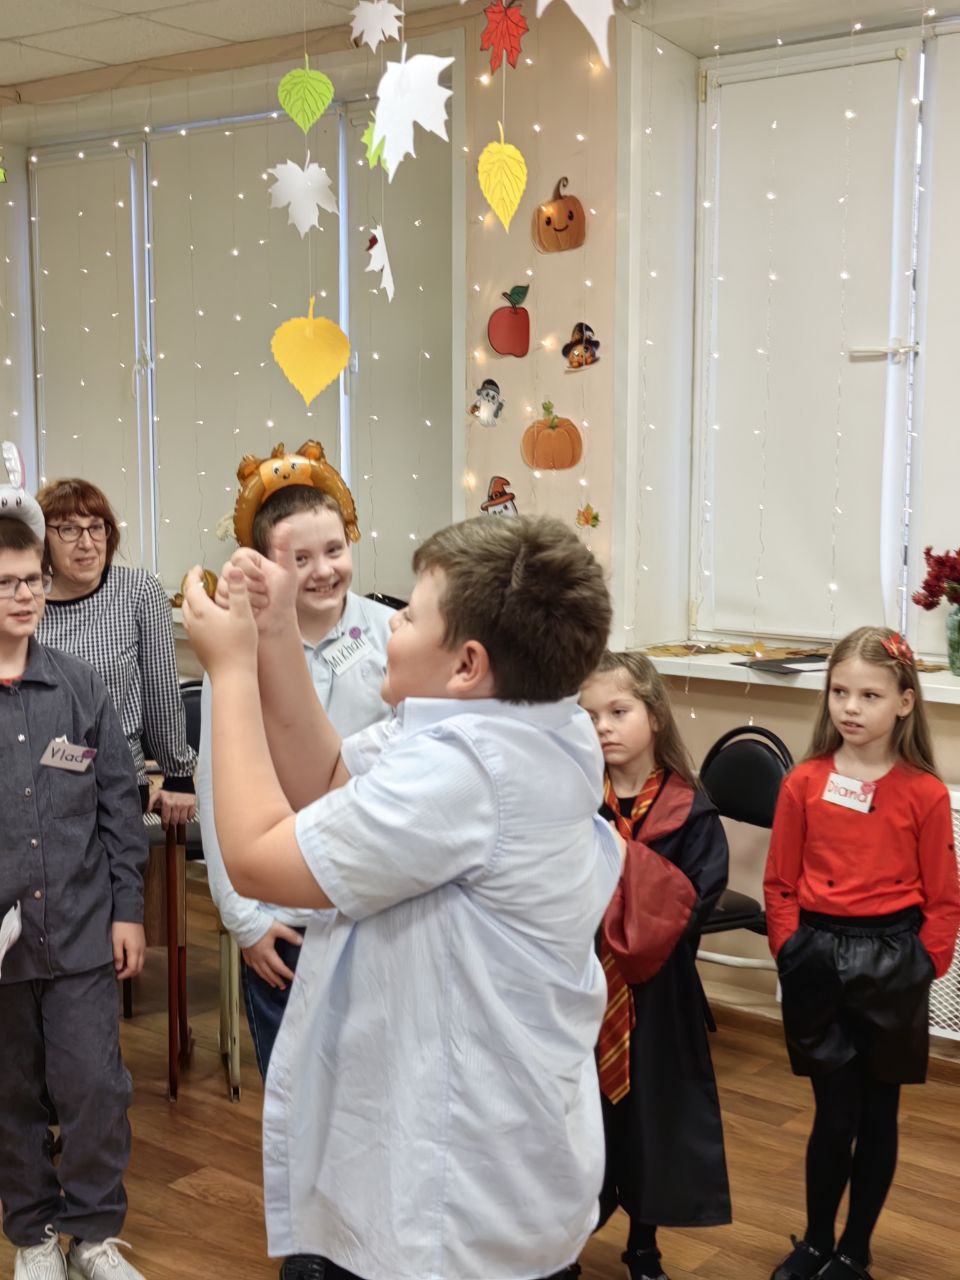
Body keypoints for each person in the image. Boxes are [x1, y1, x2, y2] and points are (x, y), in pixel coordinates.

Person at [182, 514, 621, 1280]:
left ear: (467, 664)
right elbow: (326, 780)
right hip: (494, 1165)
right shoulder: (518, 723)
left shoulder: (466, 772)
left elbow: (256, 857)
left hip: (461, 1205)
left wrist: (230, 670)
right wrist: (277, 628)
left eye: (411, 616)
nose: (390, 626)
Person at [764, 626, 960, 1280]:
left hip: (893, 961)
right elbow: (780, 882)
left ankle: (855, 1249)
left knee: (879, 1114)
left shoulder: (925, 793)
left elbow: (943, 898)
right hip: (818, 955)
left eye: (869, 695)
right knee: (833, 1113)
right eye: (839, 692)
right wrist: (791, 948)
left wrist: (923, 964)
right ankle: (817, 1240)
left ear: (904, 702)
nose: (850, 707)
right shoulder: (803, 783)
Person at [198, 483, 394, 1081]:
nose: (323, 571)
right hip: (281, 915)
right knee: (294, 1089)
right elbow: (215, 785)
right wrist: (243, 916)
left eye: (334, 550)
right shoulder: (237, 649)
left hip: (370, 903)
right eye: (300, 559)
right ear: (265, 566)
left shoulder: (392, 635)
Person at [0, 495, 149, 1280]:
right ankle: (32, 1235)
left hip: (84, 928)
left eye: (31, 579)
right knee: (12, 1095)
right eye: (4, 583)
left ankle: (92, 1234)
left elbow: (120, 807)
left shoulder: (82, 688)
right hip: (2, 946)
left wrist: (129, 911)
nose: (23, 595)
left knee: (95, 1086)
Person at [579, 652, 731, 1280]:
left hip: (659, 996)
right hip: (580, 987)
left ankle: (643, 1245)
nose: (603, 727)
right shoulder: (573, 800)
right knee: (579, 1118)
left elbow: (690, 903)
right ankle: (564, 1241)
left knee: (651, 1121)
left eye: (619, 711)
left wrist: (620, 864)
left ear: (656, 716)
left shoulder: (690, 811)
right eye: (589, 716)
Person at [35, 479, 196, 825]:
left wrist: (178, 774)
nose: (87, 543)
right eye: (69, 529)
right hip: (39, 785)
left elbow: (161, 694)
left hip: (117, 785)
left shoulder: (138, 591)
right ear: (42, 538)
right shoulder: (26, 601)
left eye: (96, 527)